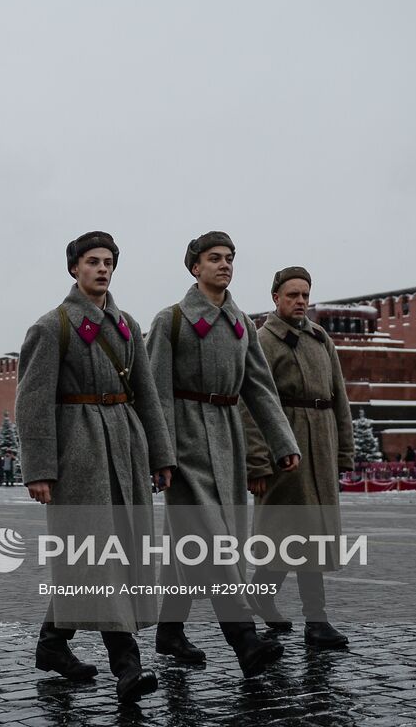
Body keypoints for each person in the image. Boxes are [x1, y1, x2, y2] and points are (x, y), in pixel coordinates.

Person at [18, 230, 175, 703]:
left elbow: (146, 393)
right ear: (74, 269)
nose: (102, 269)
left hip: (125, 448)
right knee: (96, 556)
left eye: (108, 262)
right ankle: (127, 667)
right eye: (92, 261)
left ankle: (52, 643)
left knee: (109, 555)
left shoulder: (127, 324)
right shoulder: (53, 327)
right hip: (81, 453)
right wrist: (39, 468)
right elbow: (32, 403)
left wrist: (161, 454)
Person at [146, 232, 296, 677]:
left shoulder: (242, 326)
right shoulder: (170, 321)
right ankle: (244, 641)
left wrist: (282, 442)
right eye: (214, 258)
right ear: (195, 266)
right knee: (212, 544)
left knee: (189, 545)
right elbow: (154, 395)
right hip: (186, 443)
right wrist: (161, 455)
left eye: (229, 258)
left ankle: (169, 631)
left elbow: (259, 389)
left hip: (227, 441)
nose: (225, 265)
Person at [241, 266, 353, 649]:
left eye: (305, 294)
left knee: (311, 534)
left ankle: (263, 594)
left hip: (319, 446)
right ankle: (316, 621)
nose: (301, 301)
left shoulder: (321, 338)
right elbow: (250, 404)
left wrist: (344, 452)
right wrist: (256, 460)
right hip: (283, 449)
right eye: (292, 295)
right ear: (276, 298)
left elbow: (339, 398)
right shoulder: (262, 341)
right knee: (293, 535)